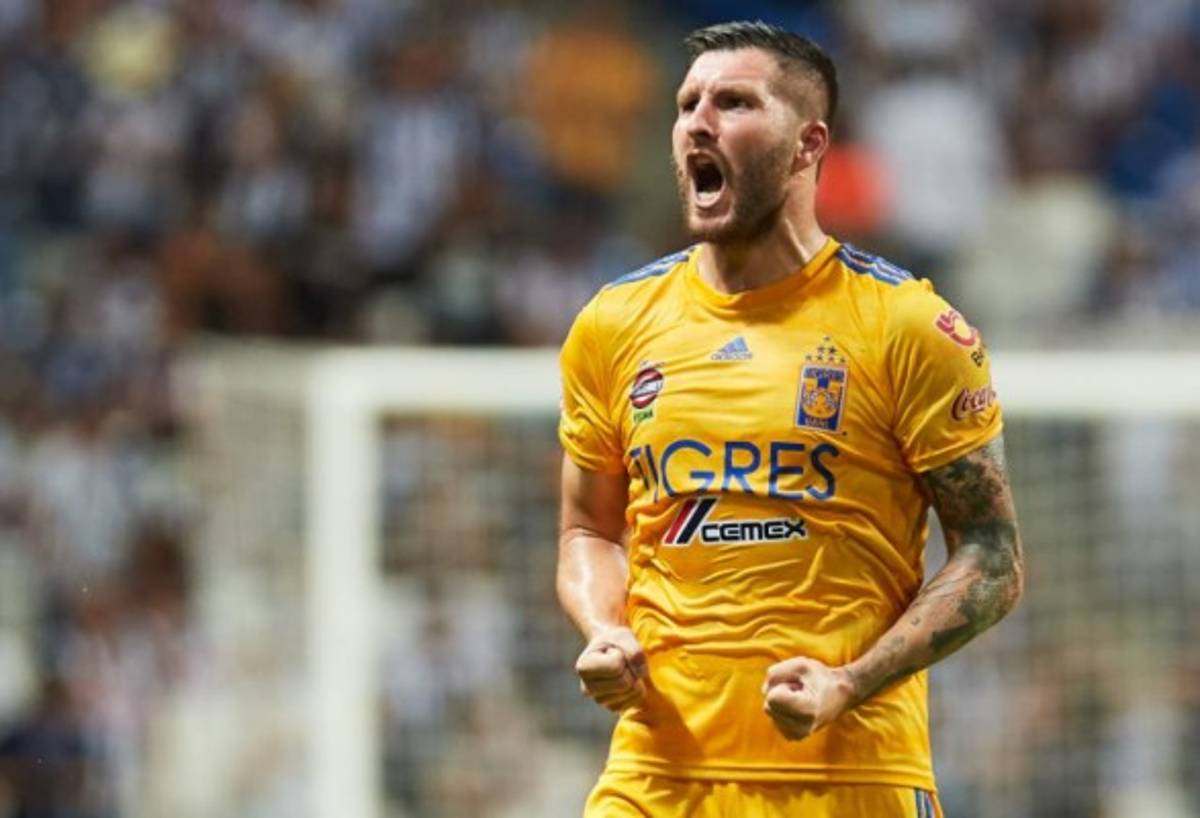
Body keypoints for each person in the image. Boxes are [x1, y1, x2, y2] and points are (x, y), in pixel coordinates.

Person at [556, 21, 1024, 818]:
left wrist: (850, 683)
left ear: (808, 144)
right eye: (687, 104)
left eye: (734, 103)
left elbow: (993, 554)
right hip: (656, 776)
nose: (698, 123)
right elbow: (588, 532)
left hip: (850, 778)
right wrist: (605, 629)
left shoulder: (906, 326)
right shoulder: (614, 324)